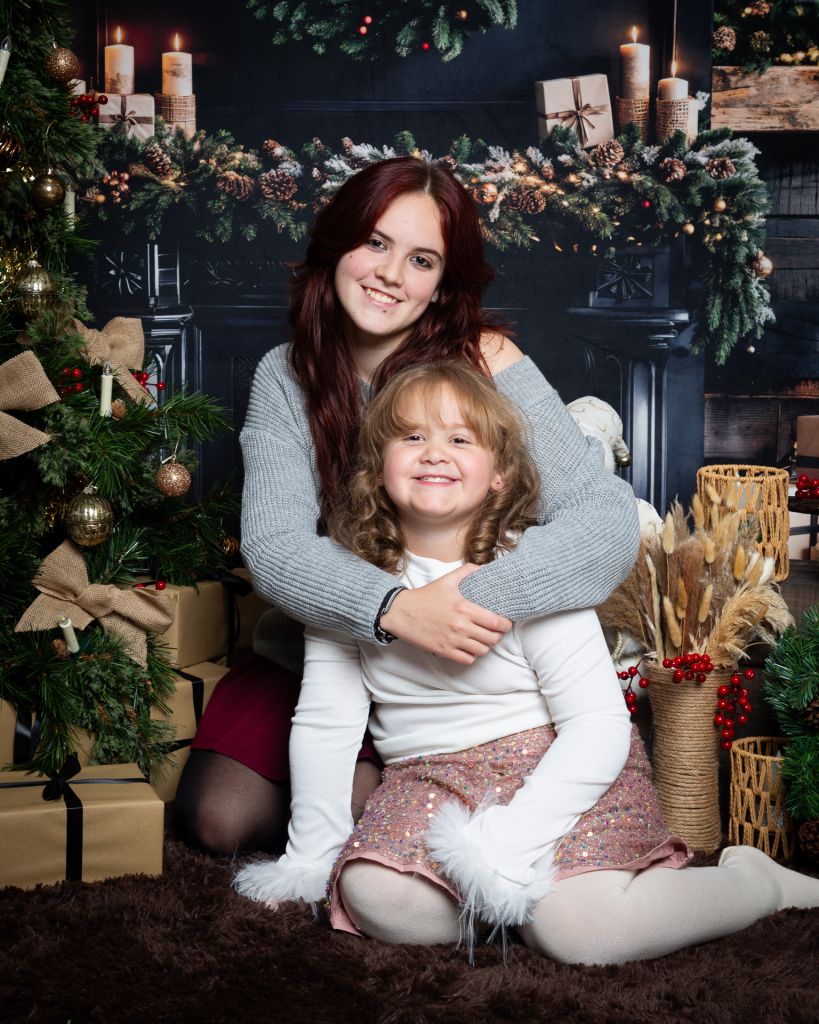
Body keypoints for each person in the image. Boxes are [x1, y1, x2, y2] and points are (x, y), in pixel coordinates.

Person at [233, 362, 819, 965]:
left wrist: (505, 844)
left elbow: (597, 728)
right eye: (411, 437)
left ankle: (754, 883)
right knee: (371, 895)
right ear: (377, 467)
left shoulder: (530, 571)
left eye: (460, 439)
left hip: (561, 771)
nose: (435, 453)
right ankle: (518, 905)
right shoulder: (347, 581)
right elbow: (327, 725)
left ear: (499, 475)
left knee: (581, 937)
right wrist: (309, 858)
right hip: (429, 783)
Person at [173, 155, 641, 856]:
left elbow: (604, 523)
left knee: (397, 820)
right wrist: (393, 609)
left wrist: (461, 597)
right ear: (337, 244)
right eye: (375, 243)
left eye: (420, 259)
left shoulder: (486, 361)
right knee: (218, 818)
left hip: (465, 671)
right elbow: (274, 548)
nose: (391, 274)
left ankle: (418, 809)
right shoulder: (285, 375)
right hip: (327, 653)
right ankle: (395, 809)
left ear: (440, 284)